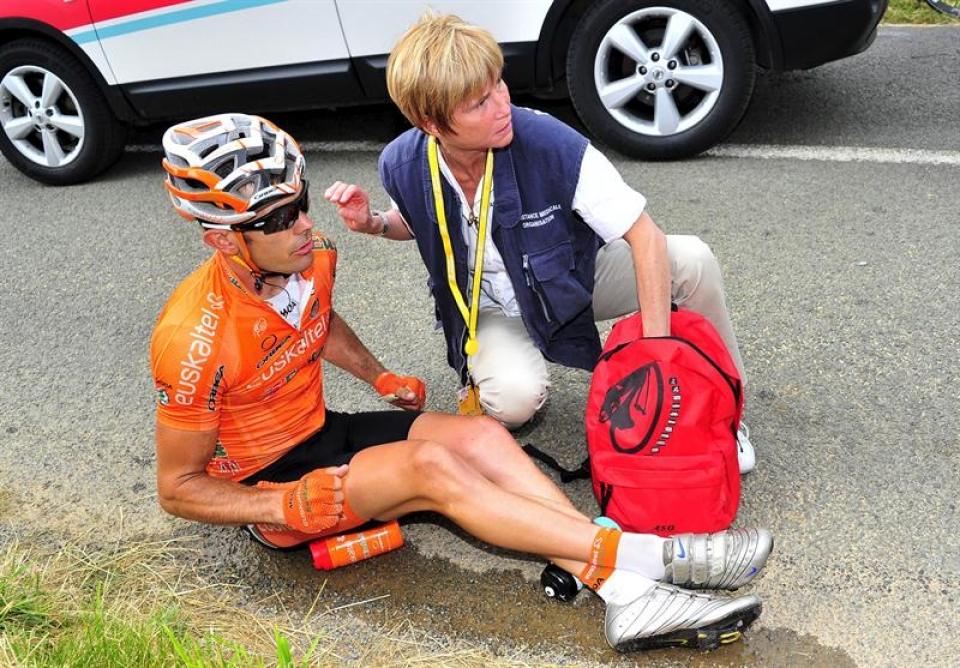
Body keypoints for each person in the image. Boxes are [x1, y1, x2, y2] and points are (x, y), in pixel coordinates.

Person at [150, 113, 774, 653]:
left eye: (303, 201)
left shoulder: (307, 260)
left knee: (483, 438)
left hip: (322, 430)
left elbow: (320, 320)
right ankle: (653, 561)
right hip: (275, 486)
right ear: (222, 239)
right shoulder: (191, 339)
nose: (305, 225)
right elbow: (178, 490)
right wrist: (277, 505)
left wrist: (377, 374)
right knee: (433, 469)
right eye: (280, 218)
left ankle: (622, 590)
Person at [325, 11, 757, 473]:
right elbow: (416, 222)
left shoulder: (551, 143)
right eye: (479, 103)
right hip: (490, 305)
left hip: (571, 281)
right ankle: (497, 370)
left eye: (498, 84)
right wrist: (374, 222)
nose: (502, 105)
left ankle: (726, 414)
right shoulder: (402, 163)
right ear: (431, 124)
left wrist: (657, 358)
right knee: (512, 401)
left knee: (691, 260)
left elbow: (644, 237)